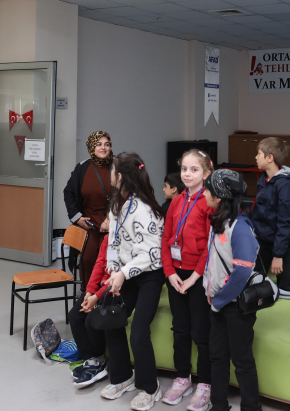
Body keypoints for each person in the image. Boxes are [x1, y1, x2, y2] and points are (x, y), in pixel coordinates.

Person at [101, 152, 164, 411]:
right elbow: (113, 242)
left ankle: (150, 388)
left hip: (149, 274)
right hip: (125, 273)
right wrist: (113, 270)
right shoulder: (117, 204)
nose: (110, 174)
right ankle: (122, 377)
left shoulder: (144, 209)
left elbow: (152, 253)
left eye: (112, 170)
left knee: (138, 332)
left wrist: (123, 273)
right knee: (111, 320)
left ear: (120, 176)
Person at [203, 169, 261, 411]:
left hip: (235, 307)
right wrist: (209, 290)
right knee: (217, 357)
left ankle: (251, 407)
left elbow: (242, 272)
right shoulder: (219, 222)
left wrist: (219, 300)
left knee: (242, 360)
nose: (204, 194)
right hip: (217, 303)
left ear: (218, 197)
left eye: (207, 190)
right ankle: (218, 404)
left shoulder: (240, 227)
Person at [160, 149, 213, 410]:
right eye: (184, 169)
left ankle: (205, 383)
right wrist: (169, 272)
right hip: (176, 275)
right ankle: (182, 377)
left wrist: (194, 277)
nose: (187, 174)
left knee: (200, 331)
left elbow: (210, 245)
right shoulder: (176, 201)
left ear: (206, 173)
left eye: (194, 169)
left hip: (197, 276)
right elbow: (166, 238)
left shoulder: (208, 202)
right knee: (180, 329)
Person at [64, 131, 113, 286]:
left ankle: (106, 292)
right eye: (99, 144)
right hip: (89, 223)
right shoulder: (82, 168)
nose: (103, 148)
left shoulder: (118, 167)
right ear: (91, 146)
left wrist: (110, 219)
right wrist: (77, 217)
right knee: (88, 258)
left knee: (109, 259)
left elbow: (124, 195)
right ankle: (88, 291)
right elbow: (69, 192)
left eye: (107, 144)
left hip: (111, 223)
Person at [251, 137, 290, 292]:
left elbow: (286, 222)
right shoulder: (263, 180)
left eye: (259, 154)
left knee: (285, 288)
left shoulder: (285, 185)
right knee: (255, 284)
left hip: (281, 244)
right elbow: (260, 211)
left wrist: (278, 255)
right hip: (262, 241)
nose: (256, 157)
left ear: (269, 158)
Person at [69, 235, 109, 388]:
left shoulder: (126, 239)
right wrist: (89, 292)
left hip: (112, 290)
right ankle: (90, 360)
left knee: (90, 318)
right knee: (74, 316)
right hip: (98, 288)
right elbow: (99, 264)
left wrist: (96, 297)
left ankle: (100, 360)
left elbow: (119, 278)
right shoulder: (107, 238)